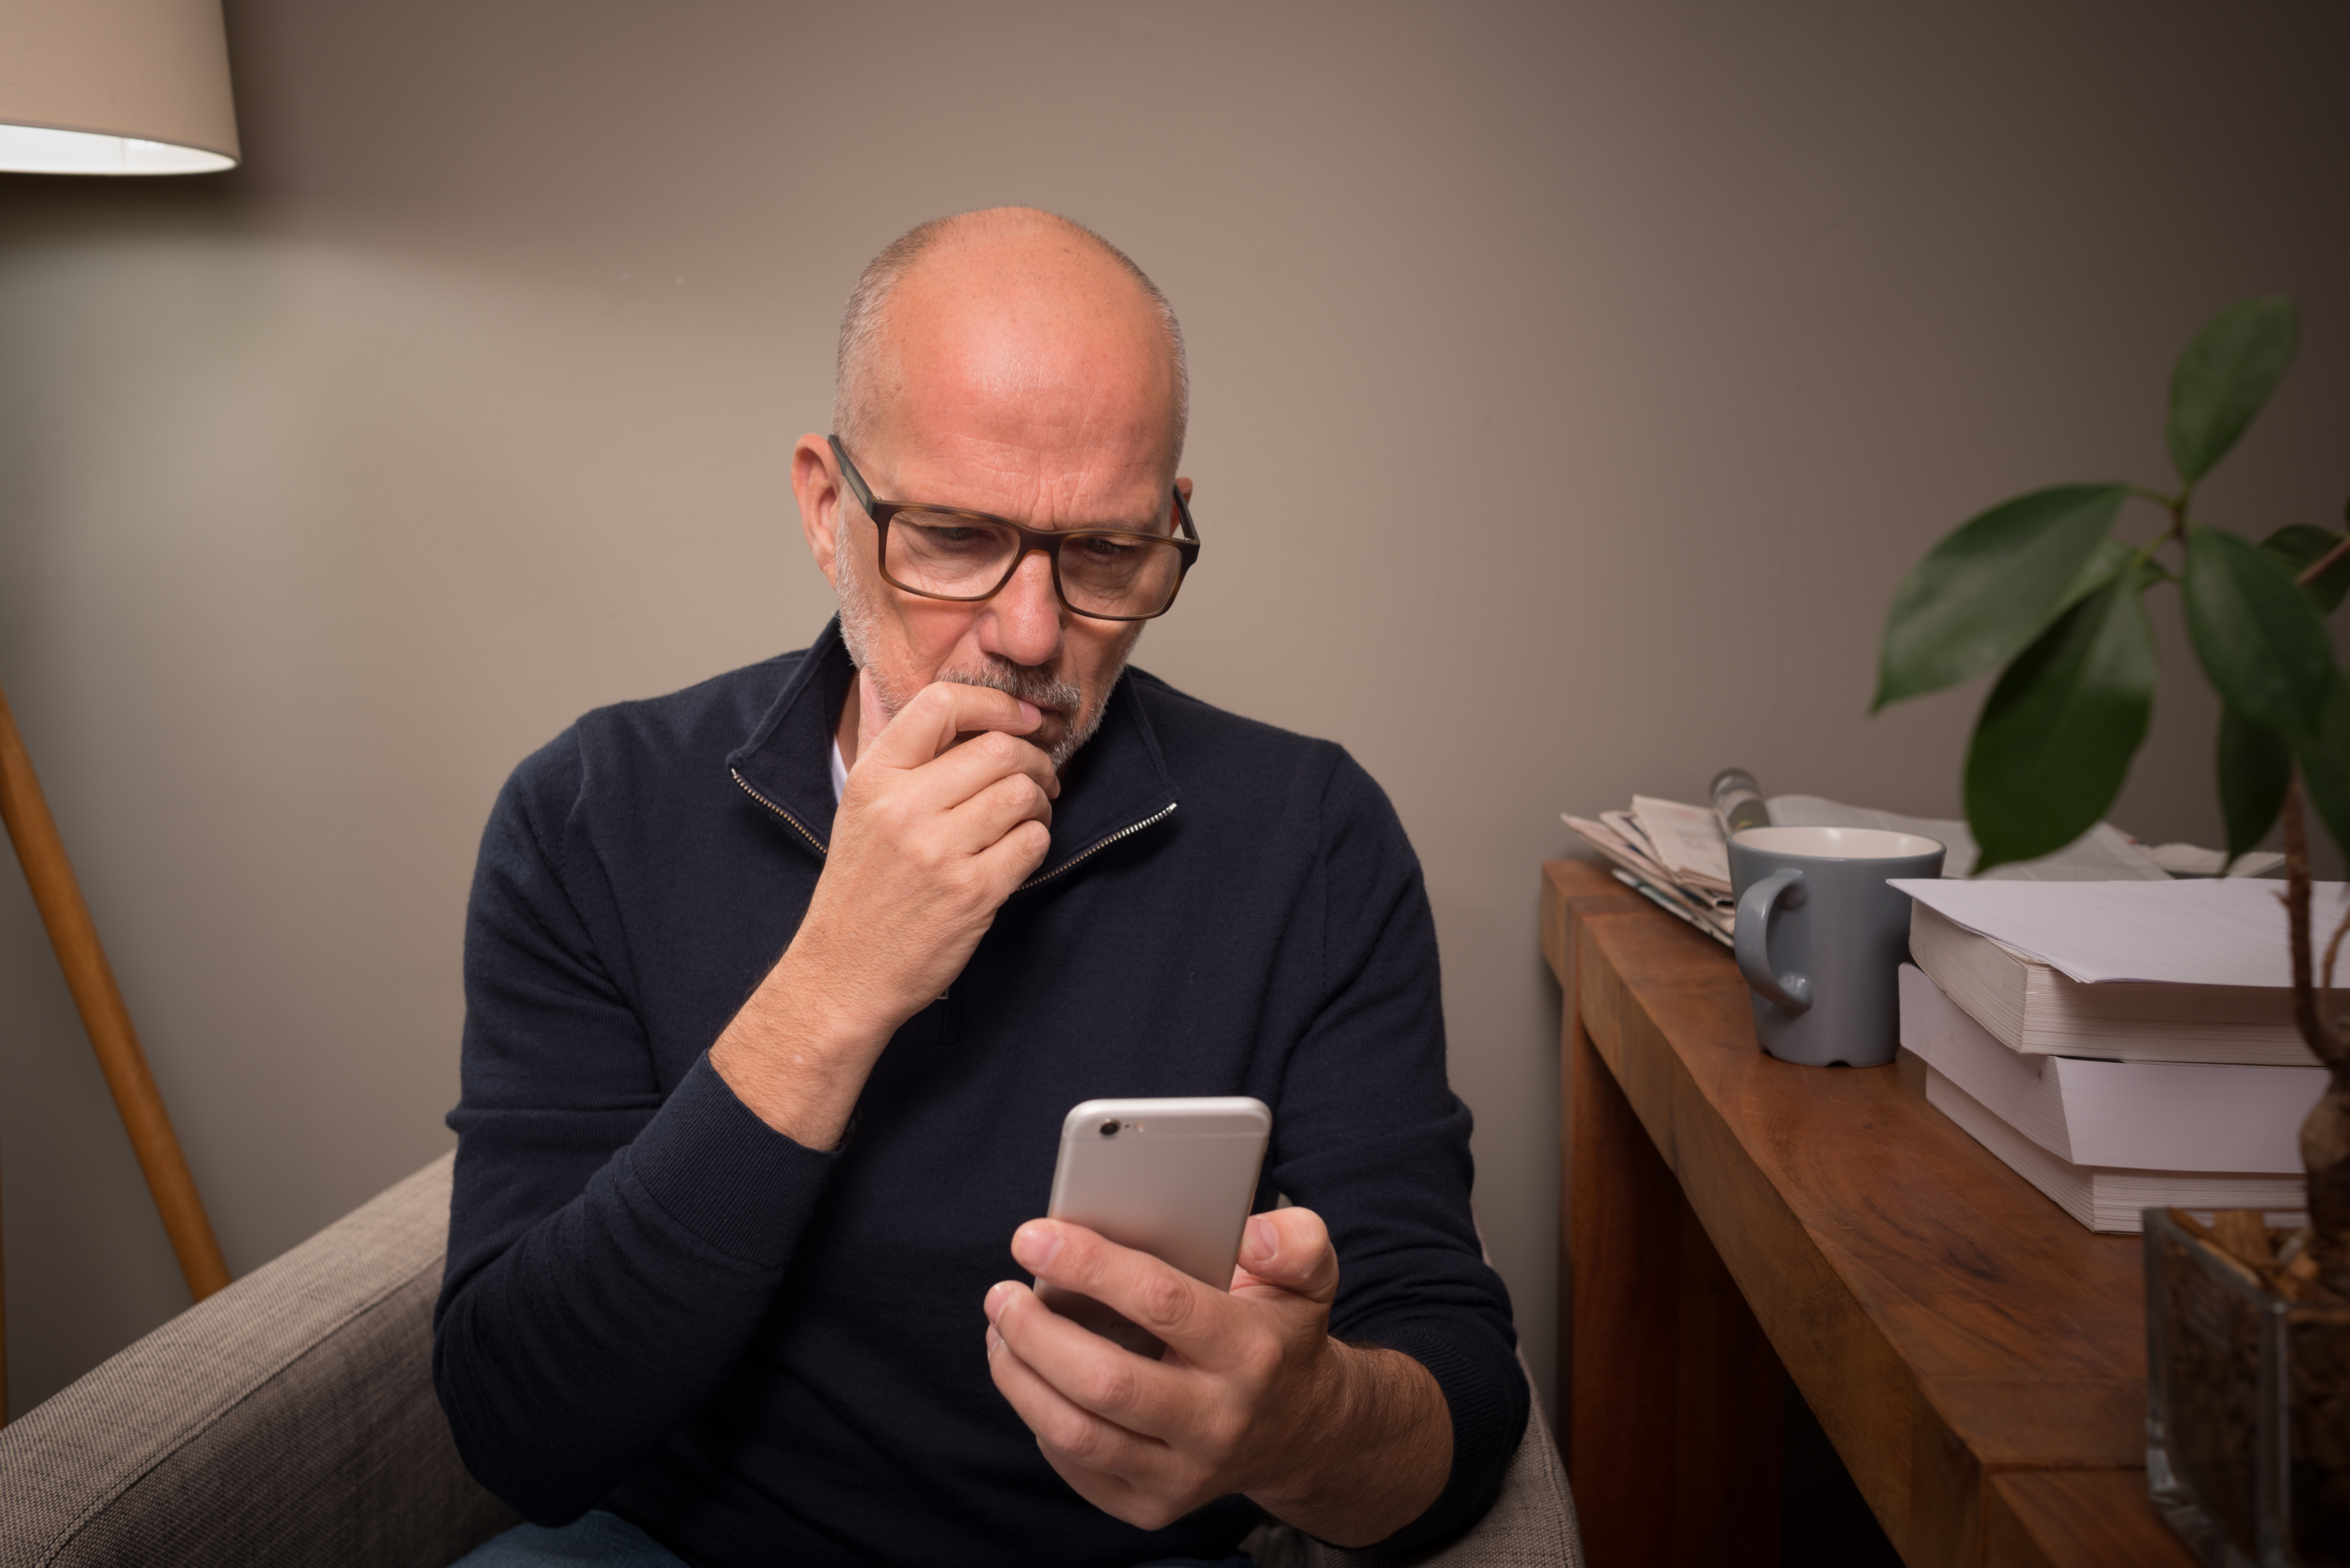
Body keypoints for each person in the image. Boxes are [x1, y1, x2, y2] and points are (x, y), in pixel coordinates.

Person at [434, 207, 1527, 1568]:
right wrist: (837, 979)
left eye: (1107, 555)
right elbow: (518, 1428)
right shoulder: (593, 811)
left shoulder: (1310, 836)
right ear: (829, 510)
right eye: (953, 537)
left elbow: (1457, 1388)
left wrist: (1300, 1426)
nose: (1029, 636)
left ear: (1172, 526)